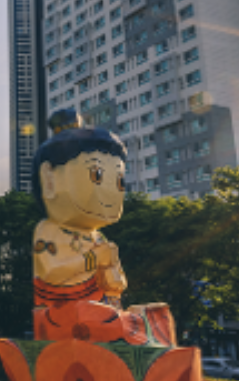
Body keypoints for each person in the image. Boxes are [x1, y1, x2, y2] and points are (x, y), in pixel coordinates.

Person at [31, 110, 175, 346]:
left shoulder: (98, 237)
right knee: (99, 316)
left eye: (118, 181)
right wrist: (93, 259)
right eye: (96, 175)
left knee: (156, 313)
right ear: (49, 180)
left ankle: (146, 355)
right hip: (61, 314)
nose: (111, 193)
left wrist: (112, 273)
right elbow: (50, 272)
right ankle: (128, 346)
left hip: (101, 311)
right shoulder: (48, 231)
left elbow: (118, 285)